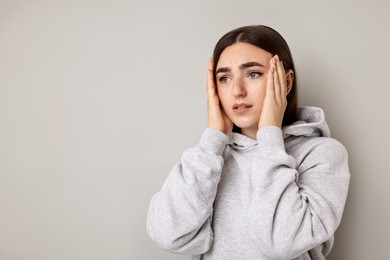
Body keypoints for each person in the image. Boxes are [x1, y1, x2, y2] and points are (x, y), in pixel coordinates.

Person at [146, 25, 350, 260]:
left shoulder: (322, 154)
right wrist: (213, 137)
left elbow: (282, 242)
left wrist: (269, 135)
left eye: (253, 73)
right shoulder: (210, 160)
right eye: (224, 78)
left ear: (287, 81)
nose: (237, 91)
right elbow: (168, 235)